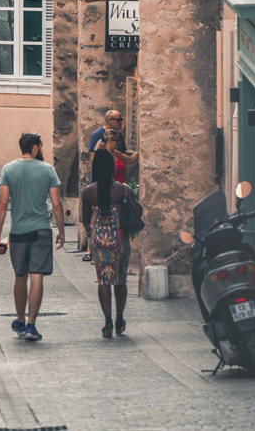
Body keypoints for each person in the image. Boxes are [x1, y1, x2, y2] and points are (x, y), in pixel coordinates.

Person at [0, 132, 65, 342]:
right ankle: (32, 324)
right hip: (41, 230)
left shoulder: (8, 169)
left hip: (18, 232)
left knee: (20, 276)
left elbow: (2, 204)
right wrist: (61, 230)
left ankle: (20, 320)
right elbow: (56, 204)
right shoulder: (47, 170)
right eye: (40, 146)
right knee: (37, 276)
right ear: (35, 148)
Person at [81, 148, 142, 338]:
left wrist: (92, 233)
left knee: (104, 281)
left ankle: (107, 320)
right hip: (119, 238)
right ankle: (120, 319)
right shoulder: (123, 189)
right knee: (120, 281)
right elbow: (138, 210)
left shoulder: (89, 192)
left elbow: (85, 218)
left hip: (100, 238)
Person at [88, 109, 129, 179]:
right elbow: (93, 159)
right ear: (109, 121)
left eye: (121, 120)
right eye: (118, 120)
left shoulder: (119, 135)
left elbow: (122, 156)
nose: (121, 122)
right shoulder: (97, 135)